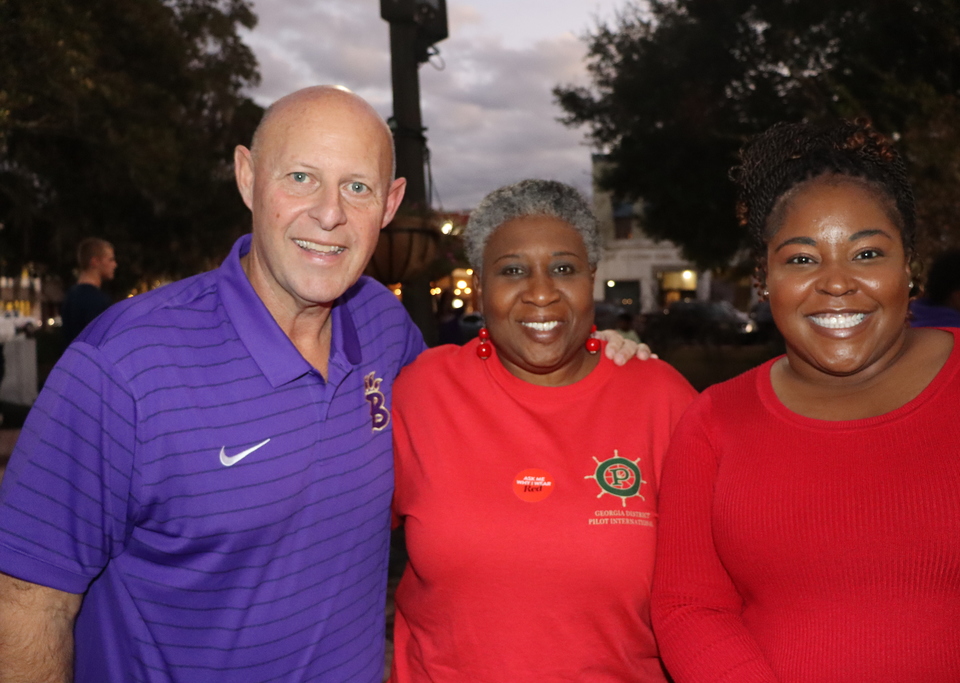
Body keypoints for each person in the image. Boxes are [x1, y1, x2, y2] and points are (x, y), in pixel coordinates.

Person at [0, 87, 647, 683]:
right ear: (248, 177)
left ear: (389, 204)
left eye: (357, 187)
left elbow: (488, 393)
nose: (329, 214)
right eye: (301, 177)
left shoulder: (383, 326)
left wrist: (598, 354)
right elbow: (25, 603)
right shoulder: (125, 364)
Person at [652, 120, 960, 683]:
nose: (836, 282)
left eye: (867, 253)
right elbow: (689, 607)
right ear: (764, 279)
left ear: (910, 267)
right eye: (801, 260)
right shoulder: (712, 421)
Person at [390, 179, 697, 682]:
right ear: (480, 284)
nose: (540, 292)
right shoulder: (422, 393)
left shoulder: (660, 398)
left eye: (563, 269)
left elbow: (718, 587)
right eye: (512, 270)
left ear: (591, 279)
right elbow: (335, 542)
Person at [61, 237, 117, 344]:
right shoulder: (98, 301)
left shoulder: (70, 296)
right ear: (95, 262)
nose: (114, 265)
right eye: (110, 260)